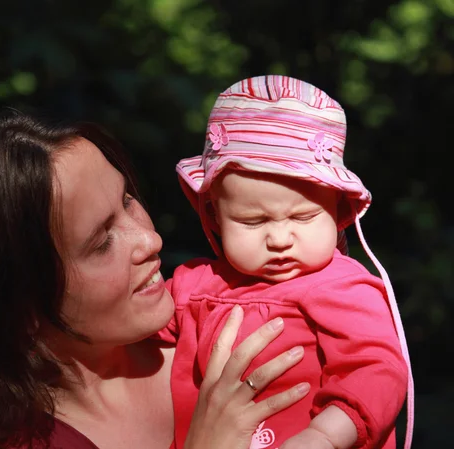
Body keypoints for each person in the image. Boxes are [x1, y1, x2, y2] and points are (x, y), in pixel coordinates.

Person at [0, 111, 312, 449]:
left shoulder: (218, 320)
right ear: (21, 307)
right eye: (101, 242)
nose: (150, 239)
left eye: (128, 200)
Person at [163, 75, 414, 449]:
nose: (280, 240)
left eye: (302, 218)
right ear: (214, 215)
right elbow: (123, 338)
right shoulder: (191, 285)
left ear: (338, 208)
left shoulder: (343, 286)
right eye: (253, 221)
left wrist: (324, 437)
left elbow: (377, 369)